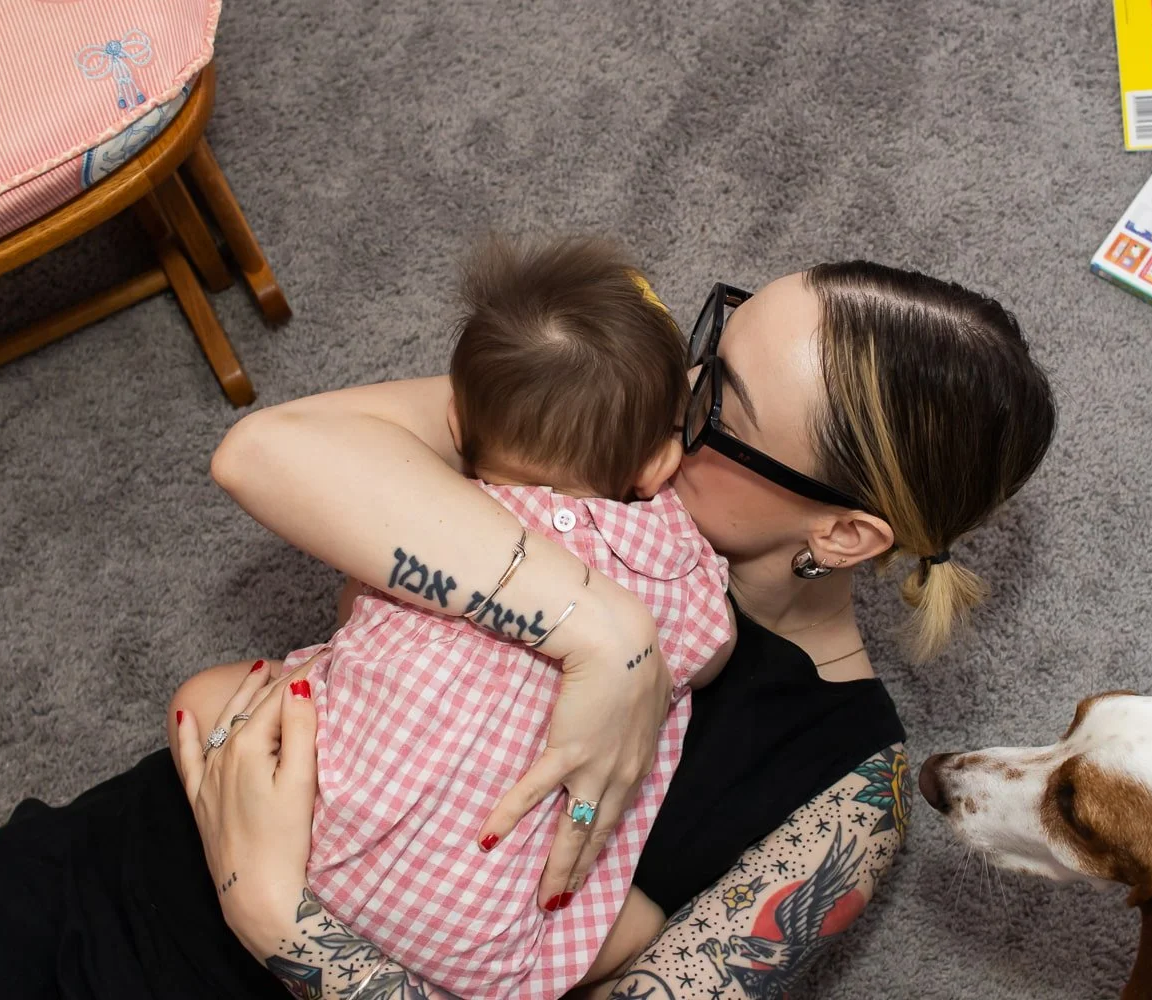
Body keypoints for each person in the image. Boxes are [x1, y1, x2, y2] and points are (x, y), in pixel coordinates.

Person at [0, 260, 1055, 1000]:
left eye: (720, 404)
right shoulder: (602, 421)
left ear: (849, 533)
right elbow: (264, 452)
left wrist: (275, 916)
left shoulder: (839, 790)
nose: (677, 388)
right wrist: (603, 630)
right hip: (96, 872)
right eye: (714, 339)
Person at [173, 236, 734, 999]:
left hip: (306, 836)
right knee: (639, 925)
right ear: (659, 466)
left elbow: (351, 604)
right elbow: (713, 649)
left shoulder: (422, 514)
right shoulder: (677, 563)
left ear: (452, 423)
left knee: (212, 694)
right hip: (473, 949)